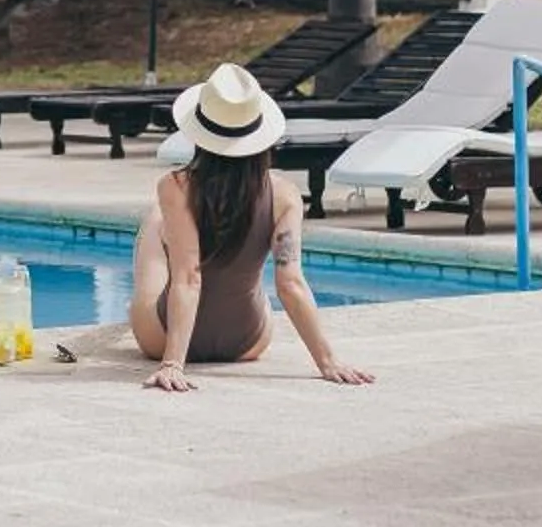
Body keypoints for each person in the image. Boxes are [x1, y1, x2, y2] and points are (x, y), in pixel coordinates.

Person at [131, 62, 377, 393]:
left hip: (163, 338)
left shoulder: (175, 187)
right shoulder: (285, 195)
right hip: (248, 342)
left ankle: (177, 344)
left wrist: (173, 362)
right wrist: (327, 360)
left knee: (155, 223)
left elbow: (189, 277)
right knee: (253, 288)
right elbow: (291, 284)